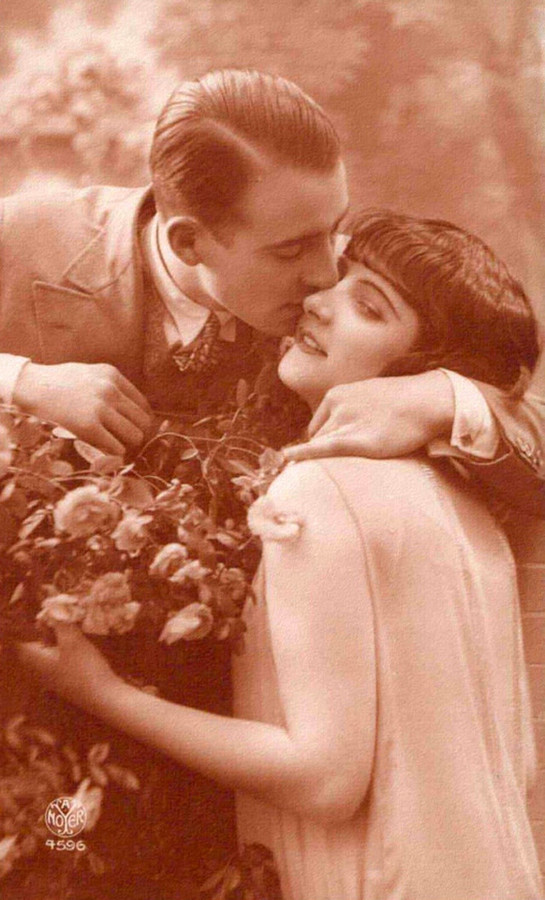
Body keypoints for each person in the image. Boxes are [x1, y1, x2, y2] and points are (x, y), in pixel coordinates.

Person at [20, 211, 544, 900]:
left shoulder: (317, 489)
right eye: (340, 279)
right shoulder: (469, 501)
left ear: (420, 371)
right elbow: (516, 765)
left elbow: (324, 781)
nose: (318, 300)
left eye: (368, 306)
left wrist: (100, 692)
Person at [0, 68, 543, 513]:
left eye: (334, 229)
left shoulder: (340, 307)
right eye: (290, 251)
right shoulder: (21, 238)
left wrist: (440, 397)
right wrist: (21, 381)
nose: (327, 275)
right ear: (189, 242)